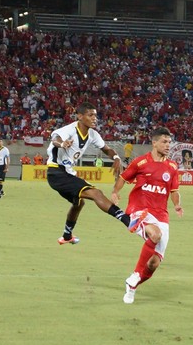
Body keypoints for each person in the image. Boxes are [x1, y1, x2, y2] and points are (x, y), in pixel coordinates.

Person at [46, 101, 140, 245]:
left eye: (95, 115)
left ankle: (66, 235)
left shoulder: (93, 134)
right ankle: (127, 220)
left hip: (67, 173)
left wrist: (115, 157)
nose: (94, 118)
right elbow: (55, 138)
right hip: (56, 172)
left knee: (79, 203)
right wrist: (63, 144)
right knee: (96, 193)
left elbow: (106, 149)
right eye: (90, 115)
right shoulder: (69, 130)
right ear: (80, 116)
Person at [111, 127, 183, 304]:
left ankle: (132, 286)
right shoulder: (140, 162)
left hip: (161, 215)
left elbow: (174, 190)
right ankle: (136, 273)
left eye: (169, 142)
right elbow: (123, 178)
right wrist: (115, 192)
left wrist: (177, 205)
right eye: (164, 142)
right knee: (155, 235)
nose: (168, 145)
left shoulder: (172, 167)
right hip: (139, 210)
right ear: (154, 142)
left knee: (153, 264)